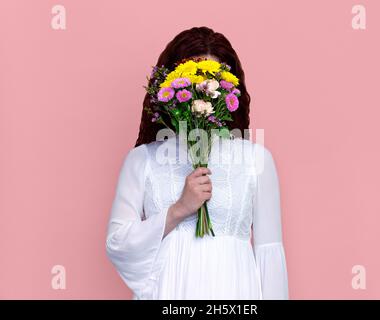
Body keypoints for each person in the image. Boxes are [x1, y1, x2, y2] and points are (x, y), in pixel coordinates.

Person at [105, 26, 289, 300]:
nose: (202, 92)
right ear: (172, 86)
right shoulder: (143, 159)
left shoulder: (255, 160)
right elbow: (118, 243)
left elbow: (268, 253)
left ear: (229, 90)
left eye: (212, 82)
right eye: (194, 80)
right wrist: (179, 210)